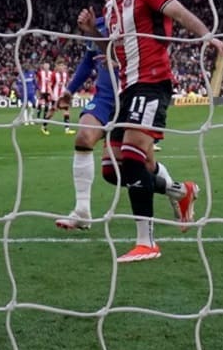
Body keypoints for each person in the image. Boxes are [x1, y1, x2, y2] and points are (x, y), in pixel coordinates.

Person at [75, 0, 223, 262]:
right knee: (111, 170)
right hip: (125, 89)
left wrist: (207, 35)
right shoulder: (110, 6)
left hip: (152, 83)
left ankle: (146, 242)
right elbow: (110, 54)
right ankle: (180, 191)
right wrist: (91, 31)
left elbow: (179, 11)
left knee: (131, 157)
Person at [56, 16, 196, 233]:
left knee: (143, 165)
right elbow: (88, 60)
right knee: (83, 138)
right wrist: (69, 90)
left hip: (133, 97)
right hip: (104, 98)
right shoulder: (100, 24)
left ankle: (177, 191)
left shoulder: (136, 19)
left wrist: (119, 60)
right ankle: (82, 211)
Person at [41, 61, 73, 135]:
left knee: (66, 111)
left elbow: (66, 84)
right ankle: (43, 126)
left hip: (63, 96)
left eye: (63, 65)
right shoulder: (54, 74)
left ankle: (67, 129)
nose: (62, 67)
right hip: (55, 96)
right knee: (51, 113)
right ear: (57, 66)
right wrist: (51, 94)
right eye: (60, 65)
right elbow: (49, 85)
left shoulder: (65, 74)